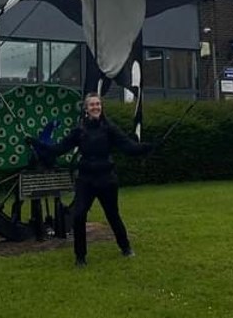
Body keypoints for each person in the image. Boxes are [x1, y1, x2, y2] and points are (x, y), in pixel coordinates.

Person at [31, 93, 154, 267]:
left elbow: (128, 147)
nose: (96, 107)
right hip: (86, 179)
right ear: (86, 109)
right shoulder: (79, 130)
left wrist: (147, 148)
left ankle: (126, 247)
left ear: (101, 107)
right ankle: (80, 257)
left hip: (107, 179)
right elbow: (59, 149)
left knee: (112, 215)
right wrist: (38, 144)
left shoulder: (109, 128)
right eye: (92, 105)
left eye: (98, 104)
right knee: (79, 215)